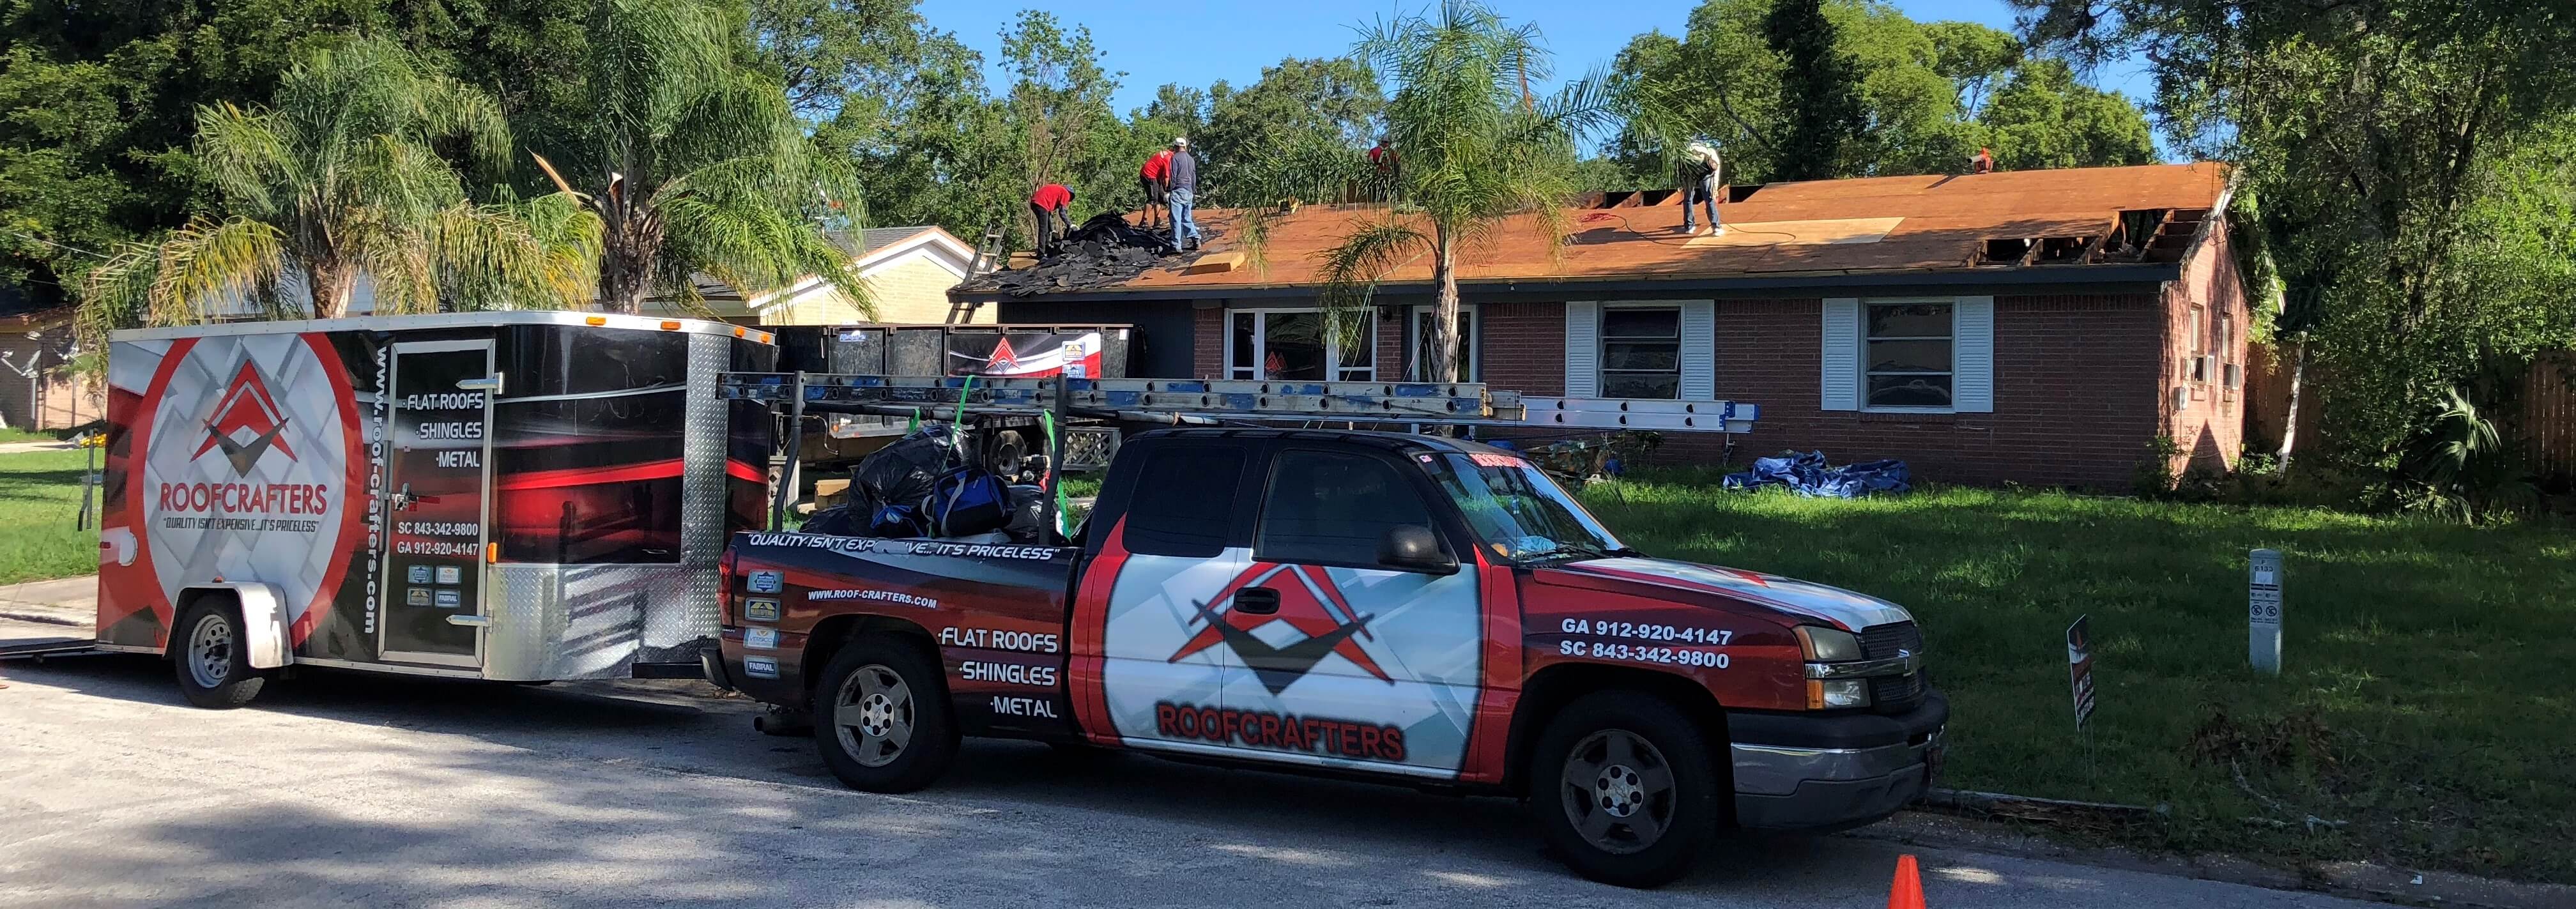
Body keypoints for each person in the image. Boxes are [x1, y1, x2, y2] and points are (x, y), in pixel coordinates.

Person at [1676, 141, 1724, 236]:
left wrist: (1714, 189)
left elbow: (1678, 169)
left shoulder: (1709, 156)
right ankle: (1716, 227)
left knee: (1689, 198)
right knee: (1708, 198)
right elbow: (1716, 173)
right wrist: (1714, 189)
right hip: (1693, 171)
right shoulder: (1712, 156)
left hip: (1693, 171)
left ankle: (1690, 226)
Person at [1166, 137, 1201, 252]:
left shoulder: (1175, 158)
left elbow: (1173, 176)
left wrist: (1169, 190)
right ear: (1185, 146)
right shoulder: (1191, 159)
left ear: (1176, 147)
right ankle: (1195, 237)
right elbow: (1194, 176)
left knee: (1176, 218)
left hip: (1178, 191)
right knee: (1187, 217)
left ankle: (1176, 245)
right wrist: (1192, 190)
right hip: (1189, 191)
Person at [1030, 182, 1075, 257]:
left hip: (1037, 203)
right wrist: (1070, 224)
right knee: (1043, 229)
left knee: (1048, 228)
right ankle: (1041, 254)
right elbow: (1062, 212)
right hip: (1042, 204)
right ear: (1071, 195)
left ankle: (1046, 249)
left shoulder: (1059, 190)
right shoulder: (1066, 193)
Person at [1137, 146, 1173, 229]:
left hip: (1155, 176)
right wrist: (1167, 189)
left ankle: (1158, 221)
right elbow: (1167, 177)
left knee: (1160, 197)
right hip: (1149, 175)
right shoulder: (1169, 159)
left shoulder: (1168, 153)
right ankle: (1144, 221)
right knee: (1153, 199)